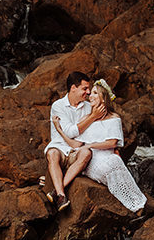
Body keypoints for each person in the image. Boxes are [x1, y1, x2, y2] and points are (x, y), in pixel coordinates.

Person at [54, 78, 147, 213]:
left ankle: (136, 202)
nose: (90, 96)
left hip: (106, 154)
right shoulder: (85, 119)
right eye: (90, 93)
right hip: (91, 159)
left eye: (95, 93)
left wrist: (90, 145)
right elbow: (76, 143)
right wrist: (59, 129)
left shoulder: (114, 118)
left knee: (115, 160)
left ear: (103, 99)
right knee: (112, 164)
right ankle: (133, 204)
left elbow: (112, 142)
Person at [44, 72, 106, 211]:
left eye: (88, 89)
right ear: (73, 88)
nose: (88, 92)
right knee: (52, 153)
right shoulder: (58, 106)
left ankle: (57, 191)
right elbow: (70, 132)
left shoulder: (89, 106)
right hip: (60, 147)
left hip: (78, 150)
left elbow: (98, 129)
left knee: (86, 153)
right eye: (84, 88)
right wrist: (92, 117)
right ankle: (61, 195)